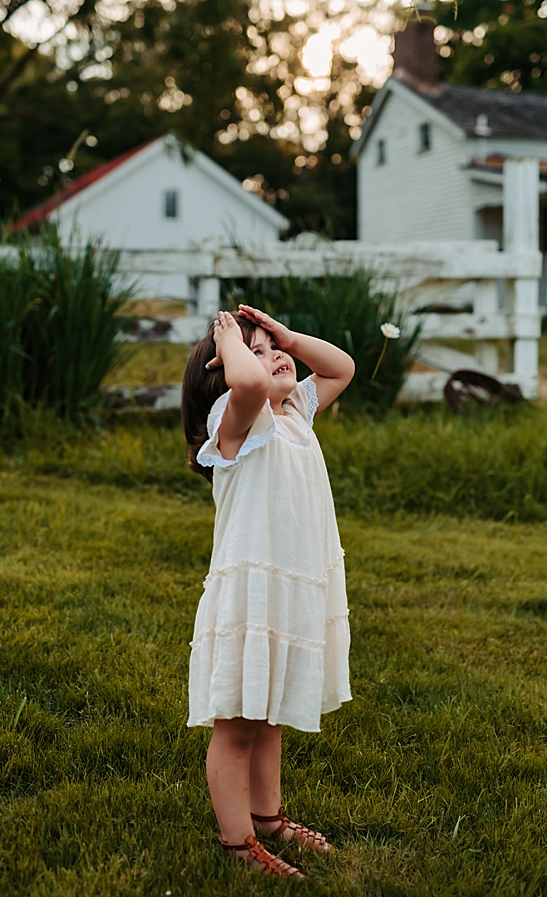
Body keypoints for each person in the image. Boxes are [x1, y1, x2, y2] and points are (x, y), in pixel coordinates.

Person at [181, 306, 356, 878]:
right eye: (253, 352)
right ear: (224, 374)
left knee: (270, 713)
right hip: (250, 600)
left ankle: (268, 817)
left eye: (271, 348)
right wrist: (232, 339)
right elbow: (250, 384)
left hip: (289, 596)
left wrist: (288, 338)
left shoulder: (292, 413)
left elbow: (341, 368)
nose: (271, 359)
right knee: (236, 724)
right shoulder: (238, 424)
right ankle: (239, 846)